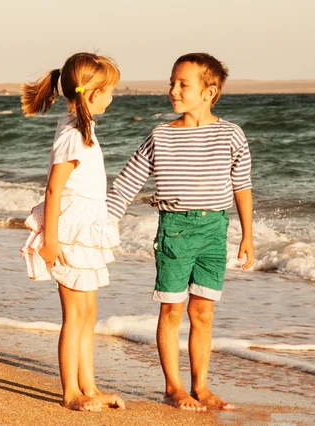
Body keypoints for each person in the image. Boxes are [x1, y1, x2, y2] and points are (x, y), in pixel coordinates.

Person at [106, 53, 254, 411]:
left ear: (209, 91)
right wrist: (105, 221)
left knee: (203, 312)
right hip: (175, 229)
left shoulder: (231, 134)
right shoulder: (161, 135)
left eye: (182, 84)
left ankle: (200, 387)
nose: (173, 90)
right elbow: (127, 183)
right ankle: (174, 388)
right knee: (172, 310)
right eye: (171, 82)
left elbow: (242, 185)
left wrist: (248, 234)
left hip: (214, 230)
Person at [20, 52, 125, 412]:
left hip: (89, 228)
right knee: (74, 315)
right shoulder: (72, 134)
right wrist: (50, 241)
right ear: (93, 93)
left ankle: (90, 387)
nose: (112, 96)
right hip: (69, 233)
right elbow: (53, 189)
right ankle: (70, 393)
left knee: (90, 311)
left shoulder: (84, 128)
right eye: (110, 90)